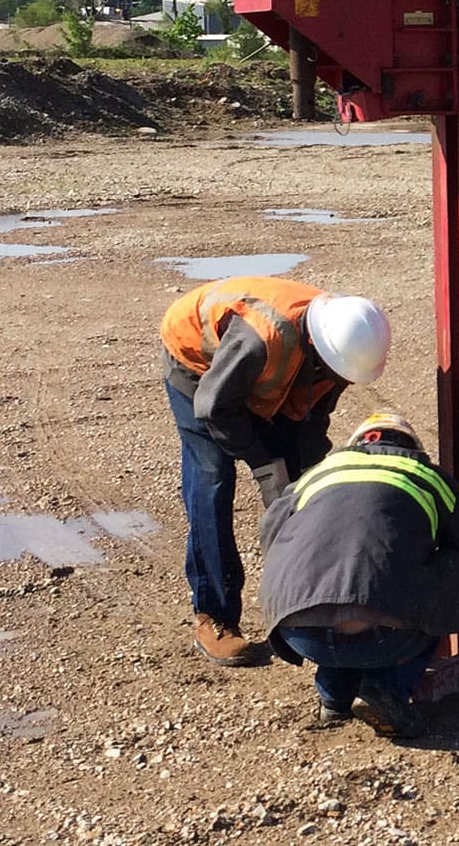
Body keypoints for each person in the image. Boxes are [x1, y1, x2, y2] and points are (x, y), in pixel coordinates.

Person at [160, 276, 392, 666]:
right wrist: (262, 462)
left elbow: (312, 419)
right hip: (198, 372)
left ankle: (311, 605)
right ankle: (213, 616)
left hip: (246, 373)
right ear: (320, 349)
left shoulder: (340, 346)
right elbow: (215, 408)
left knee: (305, 482)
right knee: (213, 479)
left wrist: (311, 480)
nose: (338, 383)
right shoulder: (261, 339)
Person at [259, 413, 459, 739]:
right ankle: (387, 688)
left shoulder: (317, 474)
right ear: (412, 448)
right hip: (385, 636)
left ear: (357, 443)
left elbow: (270, 531)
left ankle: (334, 697)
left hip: (299, 631)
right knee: (452, 573)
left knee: (338, 599)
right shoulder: (428, 475)